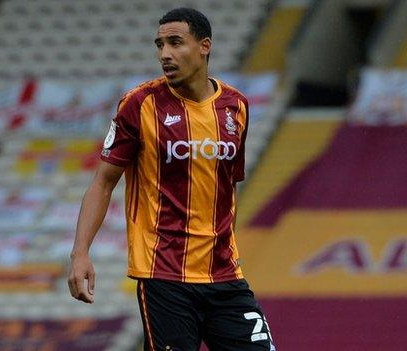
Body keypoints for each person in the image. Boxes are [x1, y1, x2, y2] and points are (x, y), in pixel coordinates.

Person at [68, 7, 276, 351]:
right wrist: (80, 254)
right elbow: (103, 182)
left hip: (224, 275)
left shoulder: (235, 106)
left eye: (175, 43)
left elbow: (228, 188)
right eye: (160, 45)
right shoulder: (139, 105)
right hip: (164, 277)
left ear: (204, 46)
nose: (165, 54)